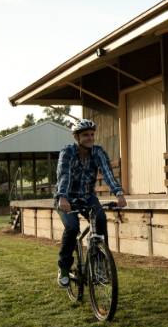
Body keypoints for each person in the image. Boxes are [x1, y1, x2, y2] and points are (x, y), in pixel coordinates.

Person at [54, 119, 126, 287]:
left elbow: (108, 173)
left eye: (92, 134)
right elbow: (64, 175)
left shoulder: (98, 152)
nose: (90, 138)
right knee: (72, 228)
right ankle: (64, 268)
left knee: (100, 219)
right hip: (66, 197)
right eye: (85, 135)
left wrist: (119, 193)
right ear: (77, 137)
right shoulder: (68, 152)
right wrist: (63, 197)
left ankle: (100, 263)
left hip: (87, 196)